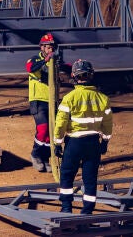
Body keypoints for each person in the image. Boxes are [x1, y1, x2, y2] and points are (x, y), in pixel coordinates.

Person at [54, 59, 113, 215]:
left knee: (66, 175)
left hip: (74, 143)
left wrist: (58, 143)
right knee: (90, 178)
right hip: (93, 143)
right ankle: (87, 211)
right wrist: (105, 141)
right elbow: (107, 123)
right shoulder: (103, 99)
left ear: (74, 76)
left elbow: (60, 124)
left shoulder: (69, 98)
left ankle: (66, 208)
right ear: (91, 75)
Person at [25, 33, 71, 172]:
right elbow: (30, 68)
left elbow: (68, 69)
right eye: (48, 47)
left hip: (52, 100)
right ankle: (36, 154)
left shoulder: (54, 62)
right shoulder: (35, 60)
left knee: (51, 132)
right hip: (38, 100)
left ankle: (46, 158)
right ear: (42, 47)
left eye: (52, 47)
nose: (50, 50)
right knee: (43, 129)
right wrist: (46, 60)